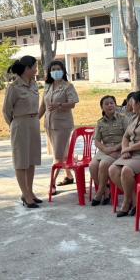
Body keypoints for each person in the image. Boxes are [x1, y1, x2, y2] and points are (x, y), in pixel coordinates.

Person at [2, 56, 42, 208]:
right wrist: (14, 125)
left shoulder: (34, 85)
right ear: (27, 68)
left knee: (31, 160)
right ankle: (25, 196)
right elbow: (6, 110)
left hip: (33, 123)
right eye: (34, 66)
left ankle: (29, 192)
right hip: (20, 124)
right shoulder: (14, 87)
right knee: (21, 161)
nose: (36, 69)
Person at [38, 60, 79, 195]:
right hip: (49, 124)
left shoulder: (68, 86)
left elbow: (73, 103)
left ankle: (52, 184)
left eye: (58, 69)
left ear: (63, 70)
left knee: (58, 156)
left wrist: (59, 105)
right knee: (63, 153)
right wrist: (36, 119)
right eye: (53, 69)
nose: (56, 71)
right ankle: (69, 176)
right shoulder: (48, 86)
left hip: (62, 125)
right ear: (50, 72)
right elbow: (43, 105)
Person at [90, 95, 129, 206]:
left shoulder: (123, 118)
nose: (109, 105)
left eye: (112, 103)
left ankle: (99, 192)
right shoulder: (100, 122)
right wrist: (105, 149)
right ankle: (106, 191)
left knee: (104, 164)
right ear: (102, 107)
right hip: (105, 149)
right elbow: (97, 141)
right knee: (92, 166)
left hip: (120, 148)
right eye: (106, 104)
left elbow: (128, 137)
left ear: (115, 105)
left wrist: (115, 148)